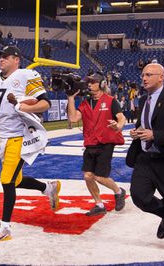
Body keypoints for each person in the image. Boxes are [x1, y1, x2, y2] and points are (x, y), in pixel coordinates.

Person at [0, 46, 60, 242]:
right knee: (15, 180)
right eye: (0, 56)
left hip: (20, 135)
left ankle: (5, 228)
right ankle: (48, 188)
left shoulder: (26, 75)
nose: (1, 59)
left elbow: (45, 103)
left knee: (7, 180)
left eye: (6, 56)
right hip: (4, 137)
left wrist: (23, 106)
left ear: (16, 59)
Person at [67, 72, 127, 216]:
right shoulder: (85, 102)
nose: (89, 84)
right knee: (88, 176)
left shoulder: (111, 100)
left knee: (100, 177)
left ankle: (119, 192)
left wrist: (117, 126)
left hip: (105, 143)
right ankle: (99, 204)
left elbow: (121, 118)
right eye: (88, 82)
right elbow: (74, 118)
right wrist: (70, 98)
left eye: (93, 82)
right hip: (90, 143)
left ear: (101, 84)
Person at [127, 63, 164, 239]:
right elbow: (144, 123)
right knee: (139, 196)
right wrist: (137, 131)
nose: (144, 78)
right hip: (144, 157)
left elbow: (154, 131)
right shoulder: (143, 99)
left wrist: (155, 135)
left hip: (163, 158)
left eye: (149, 74)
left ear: (161, 77)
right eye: (143, 74)